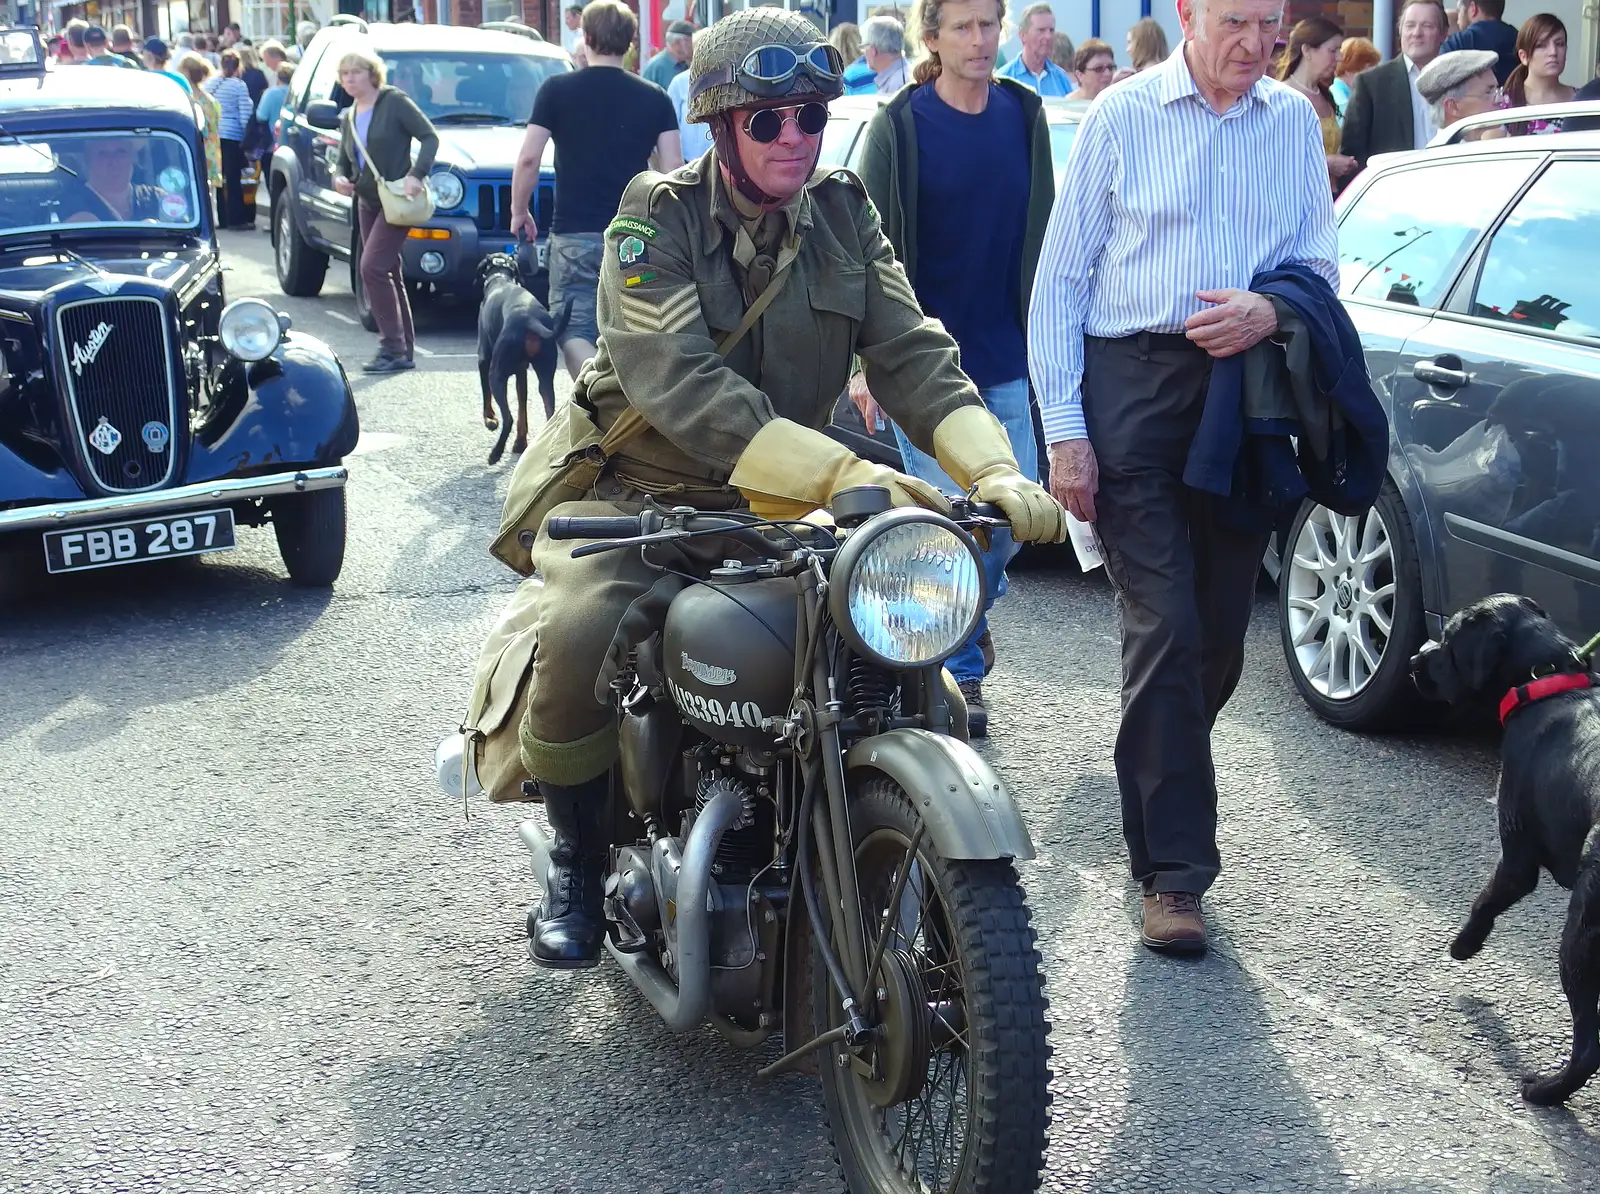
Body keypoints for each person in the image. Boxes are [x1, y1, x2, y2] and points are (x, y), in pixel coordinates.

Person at [476, 5, 1064, 968]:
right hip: (645, 495)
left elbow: (913, 353)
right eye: (767, 121)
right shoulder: (650, 220)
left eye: (810, 118)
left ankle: (887, 871)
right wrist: (848, 471)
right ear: (717, 126)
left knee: (910, 670)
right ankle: (580, 862)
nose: (795, 138)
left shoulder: (841, 212)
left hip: (784, 495)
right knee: (581, 631)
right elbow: (684, 386)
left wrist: (991, 466)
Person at [1031, 0, 1338, 955]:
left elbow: (1318, 262)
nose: (1256, 44)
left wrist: (1266, 308)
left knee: (1214, 641)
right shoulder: (1120, 116)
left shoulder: (1289, 120)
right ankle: (1174, 875)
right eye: (1236, 22)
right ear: (1187, 14)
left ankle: (1153, 763)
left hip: (1241, 390)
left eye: (1269, 25)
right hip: (1132, 386)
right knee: (1163, 622)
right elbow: (1062, 281)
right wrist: (1066, 432)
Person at [851, 0, 1054, 737]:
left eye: (989, 23)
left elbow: (1045, 243)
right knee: (948, 527)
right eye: (963, 26)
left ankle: (958, 628)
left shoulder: (1025, 118)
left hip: (1003, 354)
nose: (980, 39)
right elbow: (858, 250)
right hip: (919, 367)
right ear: (929, 37)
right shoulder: (900, 126)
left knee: (1007, 524)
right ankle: (957, 677)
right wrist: (861, 363)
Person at [510, 0, 682, 380]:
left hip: (574, 232)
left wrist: (519, 212)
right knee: (634, 325)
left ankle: (600, 402)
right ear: (631, 40)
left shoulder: (556, 90)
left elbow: (528, 159)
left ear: (585, 37)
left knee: (575, 328)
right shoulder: (655, 95)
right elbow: (673, 168)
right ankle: (634, 403)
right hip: (636, 235)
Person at [332, 47, 439, 373]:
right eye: (344, 74)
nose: (349, 79)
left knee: (372, 268)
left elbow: (429, 138)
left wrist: (416, 175)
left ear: (372, 74)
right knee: (388, 270)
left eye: (356, 72)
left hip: (397, 200)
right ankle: (402, 350)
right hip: (367, 199)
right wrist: (340, 177)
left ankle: (390, 348)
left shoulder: (394, 102)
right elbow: (344, 159)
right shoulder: (350, 114)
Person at [1340, 0, 1448, 167]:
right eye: (1410, 26)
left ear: (1443, 33)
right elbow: (1353, 155)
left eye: (1427, 26)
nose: (1416, 33)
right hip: (1392, 189)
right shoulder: (1371, 84)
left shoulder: (1457, 80)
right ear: (1400, 30)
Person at [1278, 17, 1357, 186]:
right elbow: (1275, 157)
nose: (1340, 58)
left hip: (1331, 197)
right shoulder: (1281, 96)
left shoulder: (1326, 95)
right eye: (1333, 50)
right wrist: (1327, 163)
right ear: (1307, 51)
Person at [205, 49, 255, 229]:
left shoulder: (210, 84)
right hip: (232, 135)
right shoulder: (239, 86)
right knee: (233, 179)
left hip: (214, 135)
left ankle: (222, 218)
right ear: (237, 67)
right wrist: (246, 137)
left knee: (218, 179)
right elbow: (245, 113)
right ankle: (236, 219)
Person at [1502, 12, 1575, 129]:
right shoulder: (1504, 103)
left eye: (1559, 44)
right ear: (1523, 56)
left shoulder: (1582, 99)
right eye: (1541, 45)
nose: (1553, 52)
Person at [65, 139, 162, 223]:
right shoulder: (69, 204)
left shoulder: (157, 198)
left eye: (121, 152)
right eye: (103, 153)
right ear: (88, 160)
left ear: (133, 158)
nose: (114, 162)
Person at [1417, 48, 1504, 138]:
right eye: (1488, 92)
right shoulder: (1446, 152)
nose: (1500, 99)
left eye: (1498, 90)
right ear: (1453, 107)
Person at [177, 54, 225, 207]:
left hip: (197, 146)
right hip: (210, 147)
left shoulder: (189, 100)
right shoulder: (209, 100)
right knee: (207, 188)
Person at [997, 3, 1074, 95]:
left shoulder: (1061, 79)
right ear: (1022, 35)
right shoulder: (1004, 78)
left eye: (1051, 30)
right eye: (1041, 30)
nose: (1048, 36)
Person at [1442, 0, 1517, 82]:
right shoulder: (1521, 40)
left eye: (1459, 10)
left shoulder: (1456, 44)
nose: (1458, 20)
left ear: (1473, 8)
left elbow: (1438, 81)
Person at [667, 29, 714, 159]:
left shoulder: (727, 79)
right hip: (687, 161)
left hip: (719, 159)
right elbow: (671, 122)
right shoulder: (679, 82)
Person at [858, 14, 909, 94]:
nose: (863, 52)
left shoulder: (898, 84)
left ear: (873, 50)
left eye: (864, 46)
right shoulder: (907, 75)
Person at [1330, 35, 1380, 110]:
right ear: (1348, 69)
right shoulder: (1339, 98)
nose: (1374, 78)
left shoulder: (1355, 94)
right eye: (1369, 71)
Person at [643, 19, 695, 89]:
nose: (694, 44)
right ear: (677, 42)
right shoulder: (655, 67)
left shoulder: (691, 64)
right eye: (689, 40)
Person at [257, 62, 295, 148]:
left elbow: (261, 116)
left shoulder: (271, 93)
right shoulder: (297, 94)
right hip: (294, 139)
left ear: (277, 77)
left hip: (273, 140)